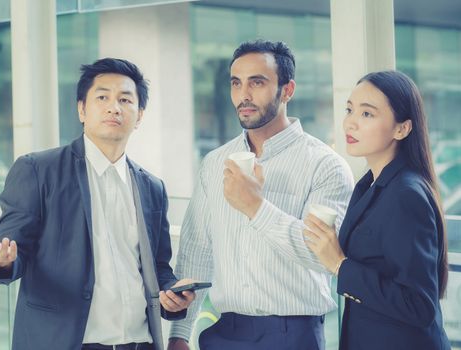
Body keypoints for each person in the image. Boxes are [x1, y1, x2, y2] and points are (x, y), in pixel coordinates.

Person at [0, 58, 196, 350]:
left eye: (125, 99)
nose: (114, 107)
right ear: (82, 109)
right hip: (65, 342)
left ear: (139, 116)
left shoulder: (152, 187)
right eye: (103, 97)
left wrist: (174, 295)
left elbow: (159, 267)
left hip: (139, 343)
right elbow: (14, 252)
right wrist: (2, 260)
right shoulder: (37, 170)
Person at [168, 40, 354, 350]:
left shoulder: (325, 166)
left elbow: (321, 257)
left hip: (292, 335)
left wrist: (255, 207)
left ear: (287, 90)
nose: (244, 95)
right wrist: (179, 334)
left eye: (257, 82)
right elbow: (196, 252)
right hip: (222, 332)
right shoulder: (215, 163)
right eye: (236, 83)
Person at [303, 70, 450, 350]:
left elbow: (419, 305)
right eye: (350, 110)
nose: (350, 123)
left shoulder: (406, 194)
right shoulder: (370, 185)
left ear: (402, 129)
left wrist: (339, 264)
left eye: (367, 114)